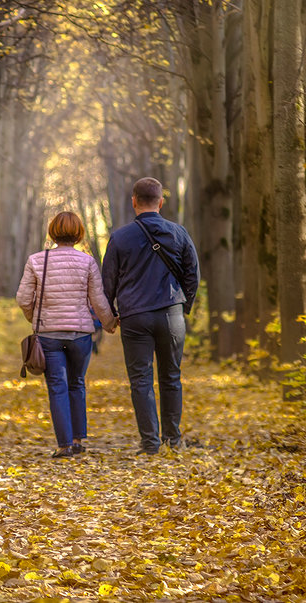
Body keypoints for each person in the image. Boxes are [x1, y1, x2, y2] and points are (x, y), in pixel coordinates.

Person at [101, 177, 199, 455]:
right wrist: (184, 306)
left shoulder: (120, 237)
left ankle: (150, 443)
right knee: (171, 376)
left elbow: (108, 282)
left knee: (141, 380)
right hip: (171, 313)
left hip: (134, 317)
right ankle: (173, 439)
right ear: (161, 202)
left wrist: (109, 317)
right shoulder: (178, 233)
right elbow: (193, 275)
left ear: (133, 201)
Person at [17, 211, 117, 459]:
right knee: (77, 383)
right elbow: (98, 300)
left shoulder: (37, 261)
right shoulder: (88, 262)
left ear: (52, 232)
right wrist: (108, 323)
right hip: (80, 334)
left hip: (48, 335)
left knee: (57, 386)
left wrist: (34, 318)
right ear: (79, 233)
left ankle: (64, 445)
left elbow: (22, 298)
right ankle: (78, 439)